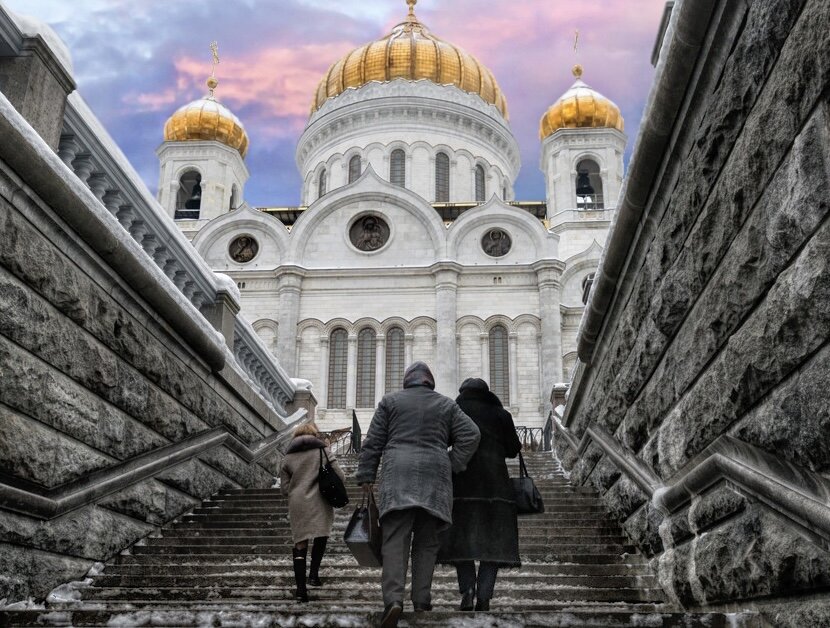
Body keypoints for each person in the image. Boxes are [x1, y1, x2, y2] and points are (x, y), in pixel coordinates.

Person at [356, 362, 481, 628]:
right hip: (434, 477)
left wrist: (366, 475)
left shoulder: (390, 402)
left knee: (394, 541)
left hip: (397, 475)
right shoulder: (446, 405)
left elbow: (373, 441)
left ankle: (393, 600)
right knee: (426, 543)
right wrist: (452, 462)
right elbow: (471, 434)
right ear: (430, 382)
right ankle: (422, 600)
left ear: (407, 381)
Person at [438, 378, 522, 611]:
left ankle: (468, 591)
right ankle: (484, 596)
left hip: (461, 485)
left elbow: (442, 442)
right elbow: (514, 449)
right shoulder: (500, 414)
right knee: (494, 543)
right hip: (495, 486)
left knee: (460, 542)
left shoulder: (455, 412)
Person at [279, 422, 345, 602]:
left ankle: (301, 591)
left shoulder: (287, 457)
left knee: (300, 543)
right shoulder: (322, 451)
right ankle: (314, 575)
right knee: (321, 535)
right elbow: (340, 476)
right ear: (314, 434)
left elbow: (284, 489)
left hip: (298, 503)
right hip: (320, 501)